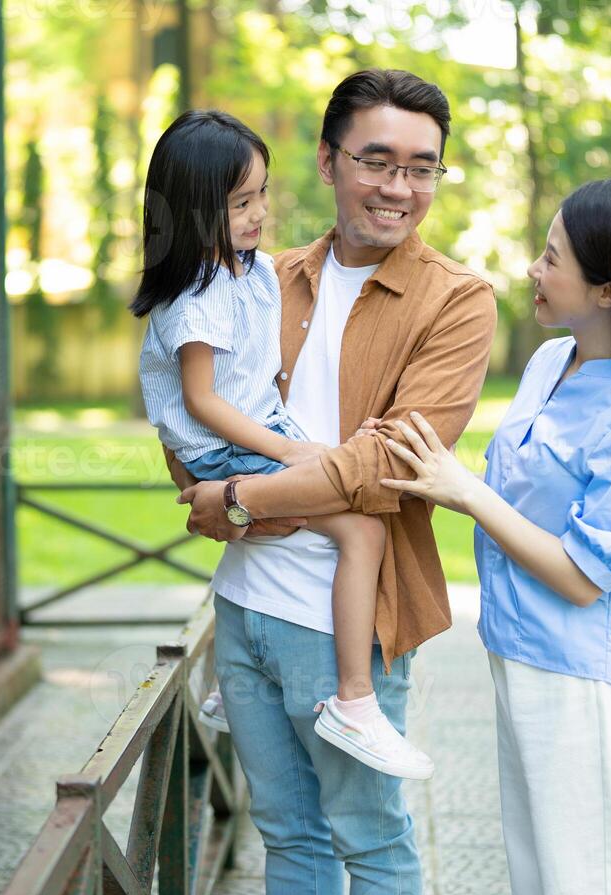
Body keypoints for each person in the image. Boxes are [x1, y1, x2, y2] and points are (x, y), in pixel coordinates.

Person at [169, 69, 499, 895]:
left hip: (349, 617)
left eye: (423, 168)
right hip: (244, 609)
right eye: (378, 161)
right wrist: (204, 482)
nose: (400, 187)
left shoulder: (457, 300)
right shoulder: (260, 276)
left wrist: (240, 501)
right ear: (327, 161)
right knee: (290, 836)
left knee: (370, 837)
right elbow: (194, 410)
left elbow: (394, 460)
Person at [378, 178, 611, 895]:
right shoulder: (547, 363)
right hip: (521, 661)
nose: (533, 269)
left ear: (608, 287)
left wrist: (466, 492)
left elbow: (581, 578)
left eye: (552, 256)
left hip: (590, 687)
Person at [133, 109, 432, 780]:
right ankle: (355, 701)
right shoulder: (197, 297)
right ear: (189, 212)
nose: (258, 212)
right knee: (362, 532)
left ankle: (228, 691)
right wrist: (290, 452)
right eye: (241, 202)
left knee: (292, 525)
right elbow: (202, 400)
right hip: (228, 445)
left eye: (262, 194)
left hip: (249, 437)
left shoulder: (247, 272)